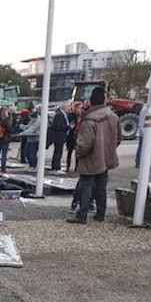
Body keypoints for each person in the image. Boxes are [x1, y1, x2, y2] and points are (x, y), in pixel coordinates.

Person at [68, 86, 120, 224]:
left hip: (90, 160)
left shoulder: (89, 120)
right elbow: (119, 137)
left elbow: (84, 144)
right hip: (105, 159)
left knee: (86, 186)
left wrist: (78, 153)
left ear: (91, 101)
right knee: (101, 187)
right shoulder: (113, 117)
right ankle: (100, 214)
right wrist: (108, 149)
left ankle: (82, 215)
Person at [48, 103, 71, 171]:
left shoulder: (64, 115)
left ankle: (55, 166)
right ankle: (56, 167)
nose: (68, 108)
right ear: (63, 108)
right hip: (59, 136)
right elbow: (59, 126)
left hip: (61, 136)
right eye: (67, 107)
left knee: (58, 152)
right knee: (58, 152)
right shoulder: (59, 115)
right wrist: (68, 127)